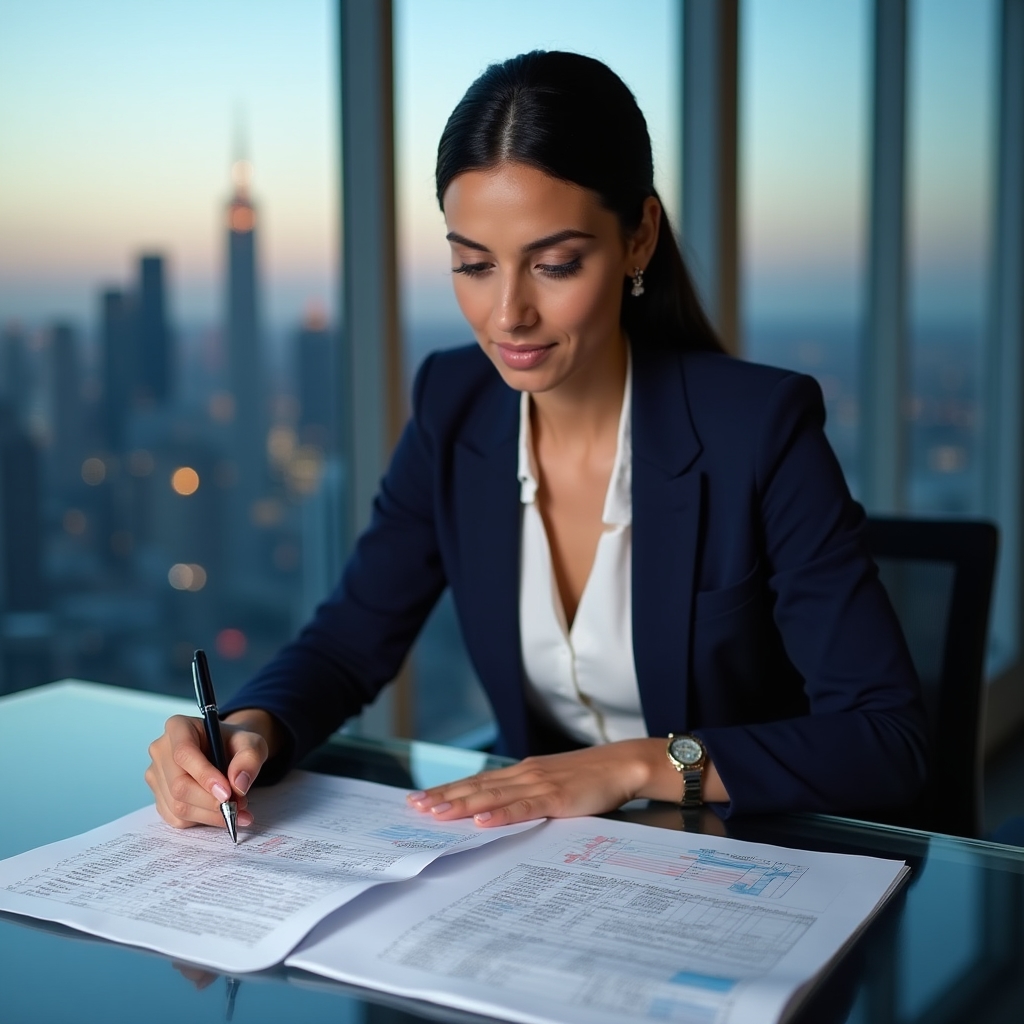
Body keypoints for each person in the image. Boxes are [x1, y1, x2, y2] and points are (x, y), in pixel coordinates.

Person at [145, 51, 926, 833]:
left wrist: (632, 766)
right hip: (540, 859)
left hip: (749, 854)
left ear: (639, 238)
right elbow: (349, 641)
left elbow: (887, 739)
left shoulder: (758, 429)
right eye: (473, 265)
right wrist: (250, 730)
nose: (507, 315)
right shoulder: (454, 405)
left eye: (554, 265)